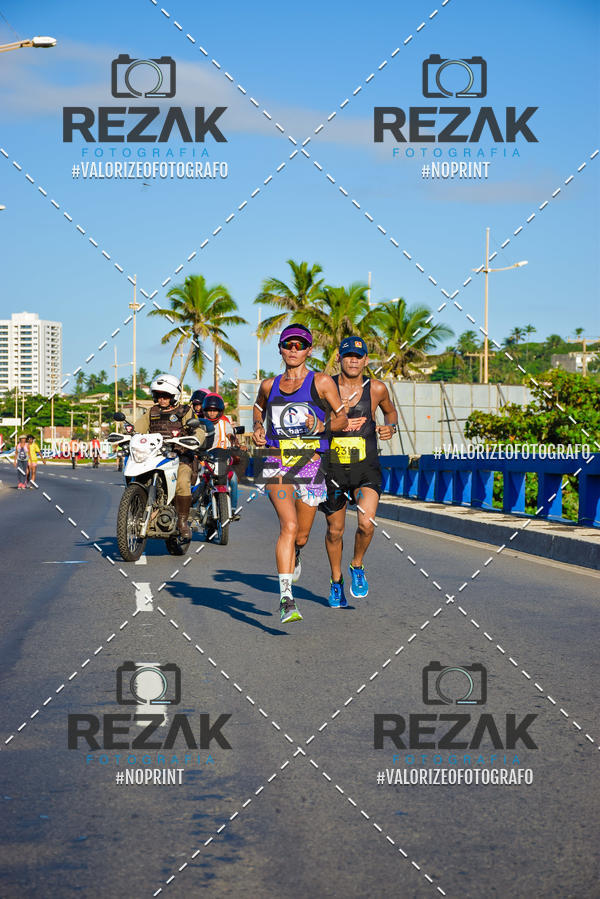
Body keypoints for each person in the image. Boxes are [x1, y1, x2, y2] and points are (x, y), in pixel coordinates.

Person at [253, 324, 348, 624]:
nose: (293, 350)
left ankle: (297, 553)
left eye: (300, 346)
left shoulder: (320, 382)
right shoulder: (270, 385)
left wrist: (322, 427)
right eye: (287, 345)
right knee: (289, 525)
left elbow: (342, 417)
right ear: (280, 349)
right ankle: (286, 598)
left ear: (309, 350)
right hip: (277, 461)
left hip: (310, 464)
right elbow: (258, 407)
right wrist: (258, 427)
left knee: (302, 536)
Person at [320, 337, 398, 607]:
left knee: (366, 523)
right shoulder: (324, 387)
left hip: (366, 468)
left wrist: (391, 428)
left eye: (358, 356)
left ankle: (357, 565)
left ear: (366, 360)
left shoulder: (375, 388)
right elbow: (314, 422)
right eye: (348, 355)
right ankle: (336, 581)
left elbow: (390, 413)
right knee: (335, 531)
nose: (353, 360)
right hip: (333, 469)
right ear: (339, 359)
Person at [134, 373, 205, 540]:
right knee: (137, 477)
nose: (162, 399)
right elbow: (138, 428)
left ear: (174, 396)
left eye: (166, 396)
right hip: (154, 457)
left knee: (182, 482)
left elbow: (199, 430)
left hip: (180, 457)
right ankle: (135, 511)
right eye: (158, 395)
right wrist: (128, 434)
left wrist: (196, 438)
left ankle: (182, 522)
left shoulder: (185, 411)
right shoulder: (152, 412)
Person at [201, 392, 240, 515]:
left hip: (222, 460)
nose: (212, 413)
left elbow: (230, 435)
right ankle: (197, 507)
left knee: (233, 479)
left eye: (215, 410)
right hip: (205, 461)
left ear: (220, 411)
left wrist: (235, 442)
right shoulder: (200, 424)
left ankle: (232, 509)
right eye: (209, 410)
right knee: (198, 480)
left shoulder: (225, 424)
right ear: (205, 410)